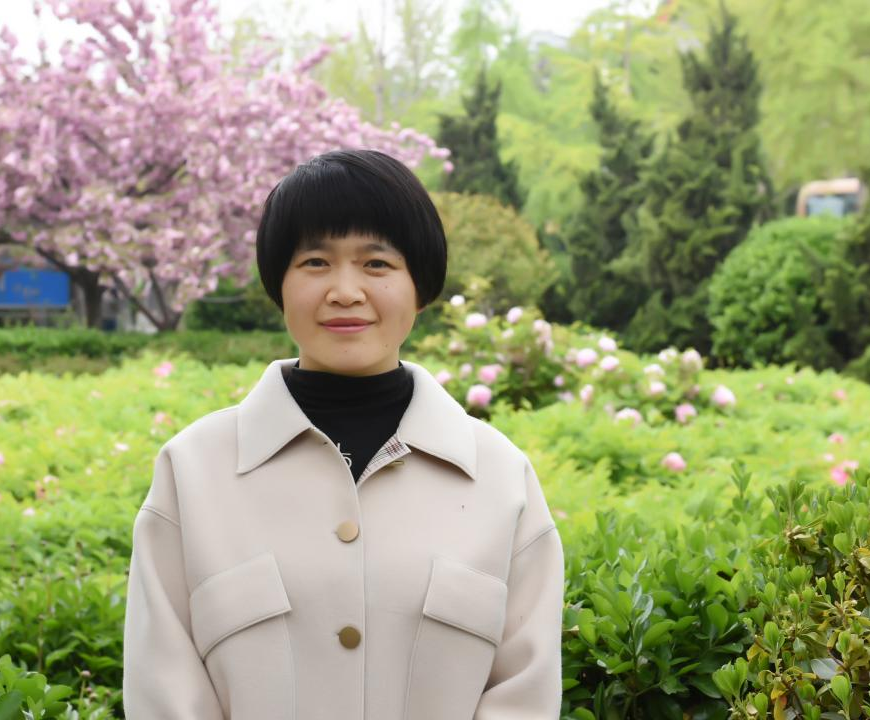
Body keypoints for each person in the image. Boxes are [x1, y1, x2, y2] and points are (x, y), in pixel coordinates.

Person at [122, 148, 565, 719]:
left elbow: (524, 695)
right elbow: (163, 691)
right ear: (279, 285)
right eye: (315, 262)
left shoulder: (500, 478)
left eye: (377, 263)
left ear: (421, 285)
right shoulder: (193, 470)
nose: (345, 291)